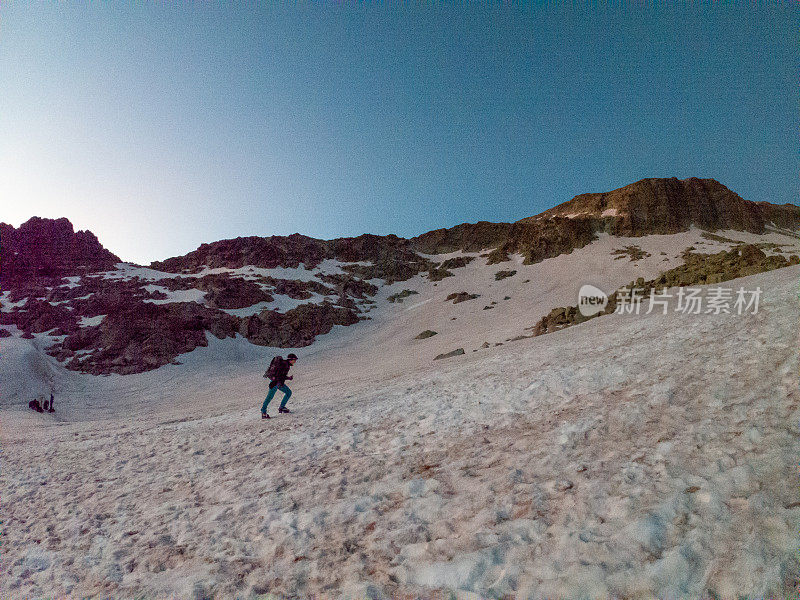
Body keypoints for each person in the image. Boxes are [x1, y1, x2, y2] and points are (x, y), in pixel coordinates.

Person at [261, 353, 297, 419]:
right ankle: (263, 412)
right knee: (269, 397)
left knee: (288, 392)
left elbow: (281, 375)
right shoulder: (285, 365)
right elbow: (280, 375)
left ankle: (282, 407)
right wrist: (287, 378)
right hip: (275, 383)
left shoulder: (285, 364)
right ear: (290, 360)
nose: (295, 361)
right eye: (294, 360)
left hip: (278, 383)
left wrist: (288, 378)